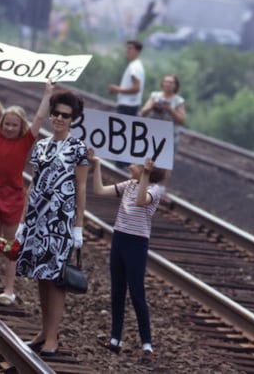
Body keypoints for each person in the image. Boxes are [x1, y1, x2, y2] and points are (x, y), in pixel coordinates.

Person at [17, 89, 88, 357]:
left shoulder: (78, 149)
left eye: (65, 115)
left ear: (73, 118)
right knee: (40, 275)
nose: (59, 118)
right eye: (55, 113)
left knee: (56, 277)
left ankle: (53, 336)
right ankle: (44, 331)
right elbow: (33, 183)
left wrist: (78, 226)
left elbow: (81, 188)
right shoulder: (42, 146)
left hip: (60, 221)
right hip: (37, 219)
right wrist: (24, 220)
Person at [0, 74, 53, 306]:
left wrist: (48, 93)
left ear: (21, 127)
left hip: (13, 197)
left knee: (9, 246)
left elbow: (39, 117)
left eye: (14, 125)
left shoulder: (26, 141)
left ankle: (8, 290)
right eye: (6, 124)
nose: (9, 128)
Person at [90, 153, 166, 361]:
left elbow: (141, 202)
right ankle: (115, 339)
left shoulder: (154, 189)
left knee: (136, 293)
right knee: (117, 290)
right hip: (120, 239)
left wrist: (147, 175)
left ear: (144, 169)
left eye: (136, 162)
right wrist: (96, 165)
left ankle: (147, 345)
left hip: (137, 243)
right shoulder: (130, 184)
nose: (130, 163)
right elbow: (98, 190)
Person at [139, 74, 186, 148]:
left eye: (171, 82)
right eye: (166, 82)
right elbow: (143, 112)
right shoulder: (154, 96)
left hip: (169, 137)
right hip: (151, 133)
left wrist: (169, 109)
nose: (168, 84)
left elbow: (182, 120)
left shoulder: (178, 101)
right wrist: (152, 106)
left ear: (175, 85)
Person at [109, 39, 145, 117]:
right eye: (127, 48)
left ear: (137, 51)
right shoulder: (135, 65)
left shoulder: (135, 67)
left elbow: (136, 88)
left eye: (130, 48)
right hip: (129, 104)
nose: (127, 51)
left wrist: (117, 89)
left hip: (128, 104)